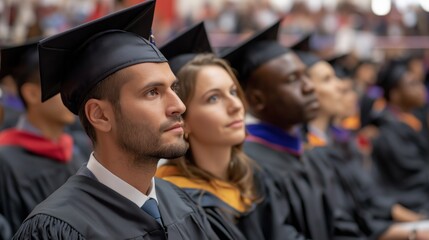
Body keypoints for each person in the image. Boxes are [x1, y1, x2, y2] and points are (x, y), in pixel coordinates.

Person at [13, 2, 218, 239]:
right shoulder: (57, 230)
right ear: (100, 115)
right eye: (152, 92)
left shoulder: (181, 202)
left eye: (174, 88)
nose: (179, 106)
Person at [156, 22, 303, 240]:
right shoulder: (176, 203)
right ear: (182, 121)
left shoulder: (253, 178)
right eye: (213, 98)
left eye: (233, 91)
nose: (235, 105)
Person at [221, 20, 342, 240]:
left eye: (305, 75)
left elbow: (340, 224)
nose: (309, 87)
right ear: (257, 100)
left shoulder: (310, 155)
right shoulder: (249, 166)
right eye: (293, 79)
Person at [298, 52, 429, 240]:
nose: (341, 88)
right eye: (328, 80)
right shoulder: (306, 153)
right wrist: (413, 230)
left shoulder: (339, 143)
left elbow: (365, 201)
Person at [0, 40, 85, 233]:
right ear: (31, 93)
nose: (72, 92)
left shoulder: (78, 151)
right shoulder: (4, 162)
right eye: (59, 84)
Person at [372, 58, 429, 216]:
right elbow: (414, 179)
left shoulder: (416, 121)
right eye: (412, 84)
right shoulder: (389, 134)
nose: (421, 88)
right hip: (413, 205)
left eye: (419, 82)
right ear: (395, 95)